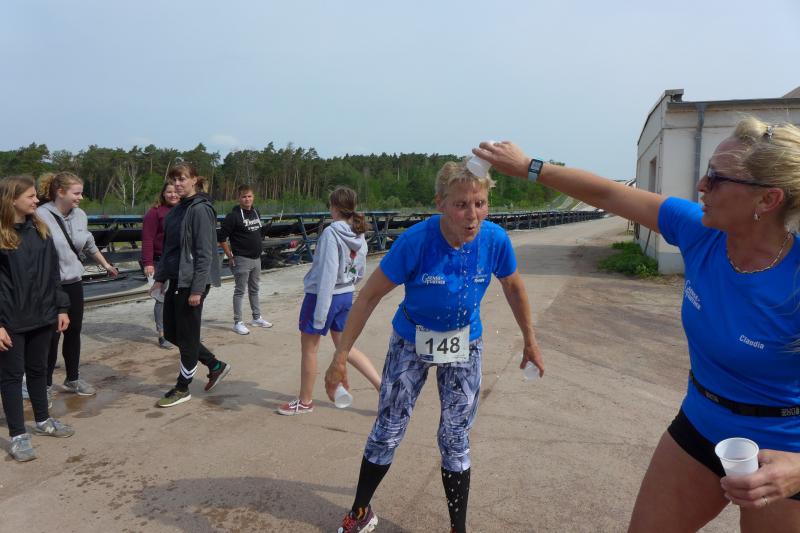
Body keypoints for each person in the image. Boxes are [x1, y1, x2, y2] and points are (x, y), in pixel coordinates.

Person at [472, 117, 800, 531]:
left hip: (783, 449)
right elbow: (609, 194)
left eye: (716, 179)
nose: (701, 185)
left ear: (767, 199)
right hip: (701, 424)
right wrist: (529, 167)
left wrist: (797, 470)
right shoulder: (699, 232)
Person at [323, 163, 545, 532]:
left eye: (480, 203)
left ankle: (458, 528)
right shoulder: (415, 242)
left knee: (455, 437)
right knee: (388, 428)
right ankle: (360, 511)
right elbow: (369, 297)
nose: (472, 216)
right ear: (440, 203)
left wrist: (530, 341)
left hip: (465, 343)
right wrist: (341, 355)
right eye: (461, 205)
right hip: (411, 340)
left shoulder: (494, 239)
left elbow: (513, 286)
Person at [278, 186, 381, 416]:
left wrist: (320, 315)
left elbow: (327, 273)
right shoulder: (358, 232)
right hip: (346, 294)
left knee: (310, 349)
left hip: (323, 296)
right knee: (345, 347)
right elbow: (360, 269)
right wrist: (349, 283)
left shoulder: (331, 233)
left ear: (333, 207)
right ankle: (383, 388)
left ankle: (305, 401)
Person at [0, 176, 74, 462]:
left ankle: (43, 420)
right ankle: (19, 436)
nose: (36, 200)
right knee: (10, 377)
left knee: (39, 370)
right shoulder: (3, 236)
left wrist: (61, 307)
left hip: (43, 315)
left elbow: (54, 273)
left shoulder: (40, 230)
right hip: (11, 320)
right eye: (30, 196)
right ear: (12, 199)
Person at [151, 163, 230, 408]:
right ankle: (215, 365)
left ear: (194, 180)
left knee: (187, 335)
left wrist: (197, 289)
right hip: (176, 278)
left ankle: (182, 387)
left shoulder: (200, 210)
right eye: (174, 179)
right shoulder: (176, 211)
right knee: (172, 333)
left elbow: (205, 253)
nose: (177, 184)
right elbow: (169, 249)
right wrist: (160, 277)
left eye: (182, 179)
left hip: (193, 281)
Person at [37, 172, 119, 398]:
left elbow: (88, 244)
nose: (81, 197)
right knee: (52, 335)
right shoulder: (40, 215)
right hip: (50, 286)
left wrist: (106, 265)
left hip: (73, 283)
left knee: (74, 331)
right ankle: (44, 385)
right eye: (77, 193)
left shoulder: (80, 215)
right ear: (60, 192)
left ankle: (72, 378)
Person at [219, 184, 273, 335]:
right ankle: (238, 322)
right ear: (239, 198)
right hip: (241, 259)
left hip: (257, 258)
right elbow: (221, 238)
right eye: (244, 196)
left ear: (253, 197)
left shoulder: (256, 212)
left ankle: (257, 317)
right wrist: (230, 256)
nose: (247, 199)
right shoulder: (233, 216)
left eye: (249, 196)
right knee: (240, 291)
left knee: (254, 289)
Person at [141, 179, 179, 349]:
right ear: (163, 193)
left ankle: (181, 331)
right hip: (161, 261)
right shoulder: (155, 212)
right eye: (169, 192)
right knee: (162, 299)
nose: (173, 195)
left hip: (180, 261)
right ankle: (163, 334)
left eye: (176, 192)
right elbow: (147, 239)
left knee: (180, 298)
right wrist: (148, 262)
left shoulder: (184, 210)